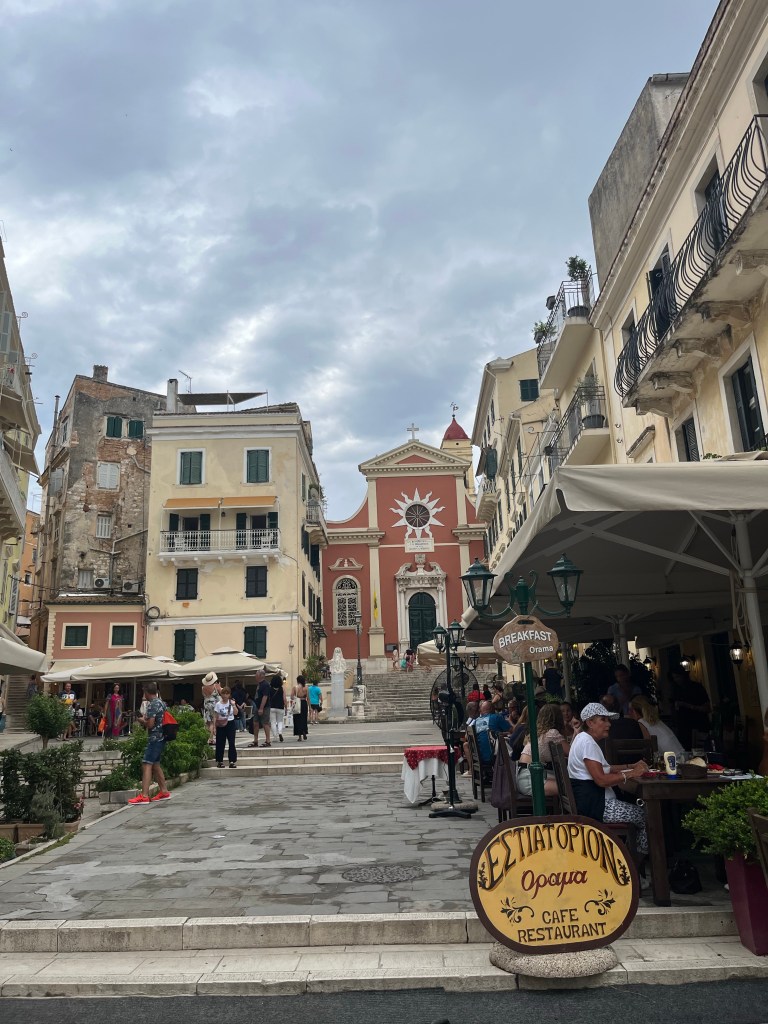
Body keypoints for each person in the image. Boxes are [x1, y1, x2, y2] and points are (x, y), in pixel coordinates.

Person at [567, 702, 648, 856]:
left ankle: (625, 857)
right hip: (598, 806)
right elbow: (601, 780)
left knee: (641, 811)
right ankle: (633, 864)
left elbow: (607, 768)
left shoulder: (583, 739)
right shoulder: (587, 743)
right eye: (603, 720)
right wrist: (631, 774)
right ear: (590, 723)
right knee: (646, 817)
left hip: (593, 802)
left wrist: (631, 765)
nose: (608, 724)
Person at [128, 682, 171, 804]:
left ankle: (144, 795)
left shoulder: (152, 705)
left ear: (147, 692)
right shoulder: (162, 703)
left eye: (144, 693)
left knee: (146, 764)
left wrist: (141, 720)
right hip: (162, 737)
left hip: (154, 738)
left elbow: (150, 724)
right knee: (156, 765)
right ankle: (164, 791)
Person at [517, 703, 571, 797]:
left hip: (524, 777)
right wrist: (576, 731)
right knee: (575, 788)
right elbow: (572, 753)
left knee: (569, 784)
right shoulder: (552, 733)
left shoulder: (538, 733)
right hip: (531, 779)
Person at [671, 667, 711, 749]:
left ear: (683, 676)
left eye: (677, 677)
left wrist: (688, 705)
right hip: (683, 727)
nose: (676, 680)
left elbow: (707, 708)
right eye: (674, 678)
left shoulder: (697, 687)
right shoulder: (676, 690)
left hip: (698, 723)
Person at [473, 700, 512, 767]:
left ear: (481, 710)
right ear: (492, 709)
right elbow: (512, 730)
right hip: (494, 756)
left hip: (479, 757)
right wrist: (510, 720)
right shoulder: (497, 717)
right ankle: (507, 775)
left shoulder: (476, 721)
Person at [213, 686, 239, 768]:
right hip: (220, 724)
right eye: (223, 693)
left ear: (229, 695)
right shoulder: (218, 704)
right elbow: (215, 716)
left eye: (227, 694)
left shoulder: (231, 703)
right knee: (220, 742)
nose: (225, 695)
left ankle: (232, 761)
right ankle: (220, 761)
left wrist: (234, 705)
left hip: (230, 723)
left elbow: (236, 713)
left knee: (232, 742)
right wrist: (214, 727)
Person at [250, 671, 272, 748]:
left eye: (256, 674)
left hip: (264, 707)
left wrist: (261, 708)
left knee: (265, 723)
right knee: (255, 723)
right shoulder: (259, 684)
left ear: (260, 676)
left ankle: (268, 740)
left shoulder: (265, 685)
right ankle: (255, 740)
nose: (255, 676)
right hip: (257, 706)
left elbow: (265, 696)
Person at [202, 672, 221, 745]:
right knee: (213, 722)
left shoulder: (203, 688)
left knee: (208, 722)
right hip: (214, 706)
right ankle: (211, 738)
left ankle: (208, 738)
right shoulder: (215, 686)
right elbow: (220, 692)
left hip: (207, 705)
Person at [269, 673, 287, 742]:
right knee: (280, 721)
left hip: (272, 707)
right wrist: (285, 707)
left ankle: (275, 737)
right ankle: (280, 733)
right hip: (280, 707)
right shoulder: (282, 689)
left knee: (273, 722)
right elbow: (284, 699)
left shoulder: (270, 689)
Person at [292, 674, 309, 741]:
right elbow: (308, 698)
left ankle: (299, 736)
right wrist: (309, 707)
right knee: (304, 719)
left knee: (297, 719)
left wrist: (296, 697)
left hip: (298, 704)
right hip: (304, 703)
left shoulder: (295, 687)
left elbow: (291, 696)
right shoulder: (306, 688)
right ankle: (304, 731)